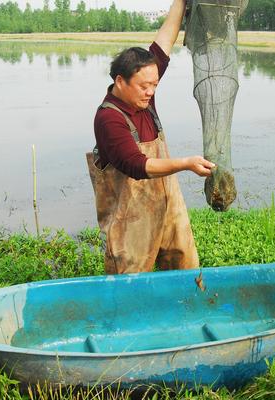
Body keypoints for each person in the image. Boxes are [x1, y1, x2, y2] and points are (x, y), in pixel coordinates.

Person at [86, 0, 215, 275]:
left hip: (169, 205)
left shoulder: (145, 94)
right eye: (144, 86)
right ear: (120, 81)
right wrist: (186, 163)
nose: (150, 92)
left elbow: (164, 40)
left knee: (185, 271)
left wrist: (181, 1)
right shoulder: (109, 118)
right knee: (130, 283)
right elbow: (137, 165)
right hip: (130, 218)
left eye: (155, 85)